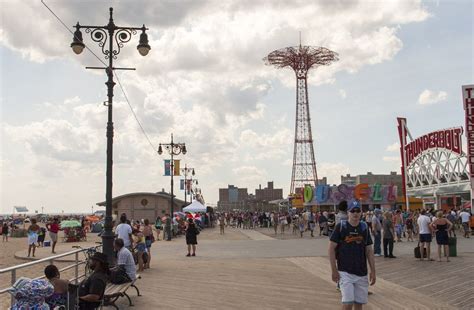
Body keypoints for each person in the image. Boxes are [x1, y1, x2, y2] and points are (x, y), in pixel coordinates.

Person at [329, 200, 376, 309]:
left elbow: (369, 250)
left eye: (358, 210)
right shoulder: (341, 227)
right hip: (345, 271)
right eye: (352, 211)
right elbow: (331, 248)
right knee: (348, 303)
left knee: (359, 304)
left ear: (361, 212)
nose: (355, 213)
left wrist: (373, 271)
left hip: (361, 272)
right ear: (348, 213)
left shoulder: (364, 227)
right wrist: (334, 270)